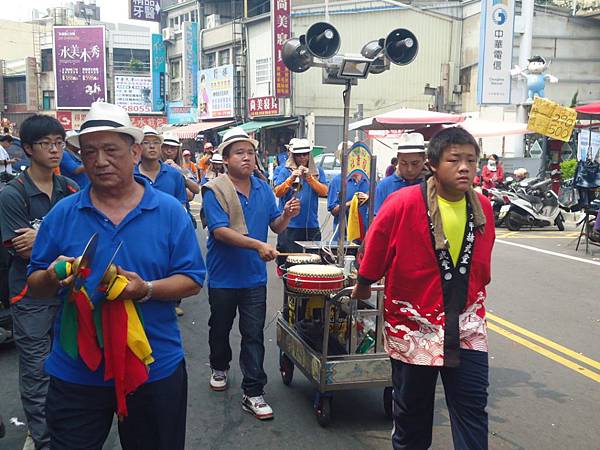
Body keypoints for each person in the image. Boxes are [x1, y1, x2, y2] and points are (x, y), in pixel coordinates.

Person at [26, 102, 206, 450]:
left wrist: (145, 289)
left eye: (111, 150)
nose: (100, 160)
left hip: (153, 365)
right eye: (89, 152)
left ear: (135, 151)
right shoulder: (64, 212)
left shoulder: (168, 211)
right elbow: (33, 285)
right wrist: (52, 275)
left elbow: (193, 279)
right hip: (76, 370)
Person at [353, 127, 495, 450]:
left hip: (467, 325)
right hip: (413, 327)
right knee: (412, 420)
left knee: (472, 412)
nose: (464, 167)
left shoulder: (483, 208)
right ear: (433, 163)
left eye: (471, 160)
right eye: (454, 159)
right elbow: (376, 248)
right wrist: (363, 283)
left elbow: (483, 266)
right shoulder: (401, 203)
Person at [201, 127, 300, 420]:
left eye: (250, 152)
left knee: (253, 334)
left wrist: (287, 216)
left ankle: (253, 391)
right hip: (223, 276)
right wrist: (257, 245)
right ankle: (219, 366)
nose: (247, 157)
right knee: (219, 327)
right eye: (239, 153)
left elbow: (275, 226)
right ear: (226, 158)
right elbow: (219, 232)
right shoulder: (215, 189)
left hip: (254, 278)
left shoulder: (263, 189)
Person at [0, 114, 79, 450]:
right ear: (28, 148)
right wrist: (55, 239)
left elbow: (78, 241)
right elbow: (20, 249)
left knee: (69, 361)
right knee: (36, 370)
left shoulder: (69, 189)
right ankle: (43, 436)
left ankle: (68, 426)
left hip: (68, 293)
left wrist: (41, 235)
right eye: (46, 143)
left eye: (59, 143)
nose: (54, 149)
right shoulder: (12, 194)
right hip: (28, 294)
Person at [274, 138, 328, 259]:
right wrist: (292, 178)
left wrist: (309, 178)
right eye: (298, 155)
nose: (302, 158)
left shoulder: (317, 172)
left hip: (311, 224)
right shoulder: (285, 171)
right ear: (293, 156)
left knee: (313, 260)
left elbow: (324, 191)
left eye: (305, 154)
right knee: (290, 260)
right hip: (290, 225)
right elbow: (278, 192)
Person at [374, 133, 426, 215]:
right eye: (404, 163)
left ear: (424, 160)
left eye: (415, 163)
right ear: (398, 159)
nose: (409, 169)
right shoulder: (384, 186)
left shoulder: (431, 185)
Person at [327, 141, 370, 240]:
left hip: (365, 235)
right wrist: (350, 203)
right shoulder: (337, 181)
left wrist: (368, 199)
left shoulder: (369, 181)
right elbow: (334, 211)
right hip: (342, 236)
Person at [135, 126, 187, 206]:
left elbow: (181, 205)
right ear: (138, 147)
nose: (152, 146)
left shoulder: (174, 174)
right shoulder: (131, 175)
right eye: (146, 142)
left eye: (156, 142)